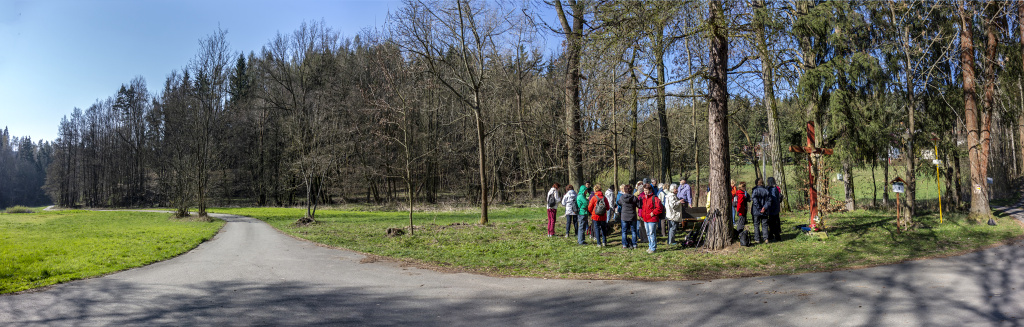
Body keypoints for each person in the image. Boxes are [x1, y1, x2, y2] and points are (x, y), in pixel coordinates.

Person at [639, 184, 664, 253]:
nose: (645, 192)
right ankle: (650, 246)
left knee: (652, 233)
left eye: (646, 190)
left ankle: (653, 248)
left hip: (652, 218)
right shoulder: (644, 198)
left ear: (650, 190)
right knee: (648, 233)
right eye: (644, 190)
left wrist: (653, 213)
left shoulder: (654, 198)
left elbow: (659, 208)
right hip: (645, 218)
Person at [618, 184, 639, 249]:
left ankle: (624, 244)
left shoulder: (622, 197)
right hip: (632, 216)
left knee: (624, 231)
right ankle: (634, 244)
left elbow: (619, 203)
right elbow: (639, 205)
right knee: (633, 231)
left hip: (624, 216)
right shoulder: (634, 198)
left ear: (624, 190)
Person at [750, 178, 771, 244]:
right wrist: (764, 208)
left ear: (756, 183)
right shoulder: (766, 190)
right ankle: (766, 238)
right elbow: (769, 200)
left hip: (756, 210)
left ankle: (757, 239)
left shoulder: (755, 190)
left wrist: (760, 209)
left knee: (756, 224)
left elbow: (755, 200)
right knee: (764, 225)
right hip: (764, 210)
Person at [766, 177, 784, 242]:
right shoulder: (775, 188)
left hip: (772, 208)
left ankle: (775, 235)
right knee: (774, 221)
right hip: (775, 207)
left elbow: (773, 198)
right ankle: (773, 235)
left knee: (772, 222)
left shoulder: (772, 189)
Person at [735, 182, 750, 246]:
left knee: (741, 223)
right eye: (745, 187)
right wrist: (739, 211)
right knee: (741, 224)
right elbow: (739, 204)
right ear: (742, 187)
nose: (745, 188)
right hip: (741, 212)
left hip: (742, 211)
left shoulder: (741, 193)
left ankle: (740, 234)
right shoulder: (741, 194)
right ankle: (740, 235)